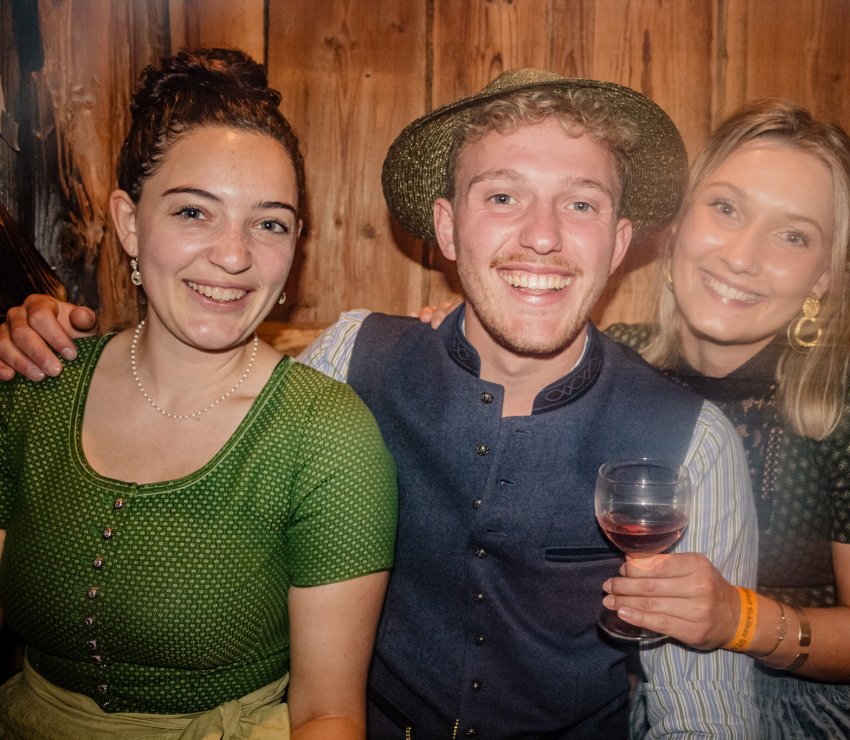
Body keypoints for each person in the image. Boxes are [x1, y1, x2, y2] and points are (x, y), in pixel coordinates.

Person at [0, 69, 759, 738]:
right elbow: (213, 400)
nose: (542, 237)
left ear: (619, 243)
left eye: (581, 205)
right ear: (448, 228)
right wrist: (47, 338)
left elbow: (705, 718)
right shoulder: (352, 357)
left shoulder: (694, 443)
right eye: (503, 196)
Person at [0, 49, 397, 739]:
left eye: (269, 223)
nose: (234, 255)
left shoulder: (328, 436)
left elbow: (329, 713)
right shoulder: (36, 386)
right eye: (193, 212)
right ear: (129, 223)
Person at [601, 99, 850, 737]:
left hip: (811, 706)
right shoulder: (612, 365)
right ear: (677, 225)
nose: (743, 256)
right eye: (726, 208)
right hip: (630, 695)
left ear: (822, 277)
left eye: (793, 235)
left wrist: (736, 619)